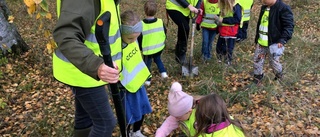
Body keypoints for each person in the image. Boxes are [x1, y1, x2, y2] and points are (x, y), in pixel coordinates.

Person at [52, 0, 122, 136]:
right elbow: (66, 36)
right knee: (105, 123)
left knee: (85, 118)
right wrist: (96, 66)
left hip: (84, 70)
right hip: (82, 71)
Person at [155, 82, 245, 136]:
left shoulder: (202, 116)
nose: (175, 118)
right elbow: (167, 126)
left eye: (178, 116)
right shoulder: (200, 114)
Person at [120, 10, 153, 137]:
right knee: (128, 112)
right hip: (125, 87)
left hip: (138, 83)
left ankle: (136, 131)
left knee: (142, 108)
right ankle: (126, 133)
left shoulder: (133, 40)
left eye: (136, 37)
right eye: (130, 38)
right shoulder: (117, 46)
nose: (134, 41)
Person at [252, 0, 294, 84]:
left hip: (275, 42)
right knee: (257, 60)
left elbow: (289, 26)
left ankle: (279, 76)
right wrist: (257, 38)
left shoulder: (283, 8)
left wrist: (282, 40)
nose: (262, 1)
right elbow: (261, 24)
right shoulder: (264, 7)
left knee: (274, 62)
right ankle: (257, 77)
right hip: (261, 41)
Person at [139, 0, 168, 86]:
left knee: (147, 64)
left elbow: (139, 38)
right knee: (158, 59)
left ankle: (148, 80)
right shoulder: (160, 21)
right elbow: (164, 32)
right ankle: (164, 73)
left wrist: (140, 47)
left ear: (145, 10)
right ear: (156, 10)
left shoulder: (141, 24)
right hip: (158, 48)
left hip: (147, 50)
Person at [166, 0, 201, 64]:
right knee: (185, 28)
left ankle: (178, 53)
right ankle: (182, 54)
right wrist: (189, 6)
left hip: (186, 10)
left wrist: (197, 8)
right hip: (174, 6)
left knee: (182, 29)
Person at [215, 0, 242, 65]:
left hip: (231, 33)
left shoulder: (236, 6)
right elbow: (221, 15)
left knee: (228, 49)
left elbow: (237, 19)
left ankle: (227, 62)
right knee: (219, 48)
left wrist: (223, 20)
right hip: (222, 31)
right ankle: (220, 61)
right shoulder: (223, 5)